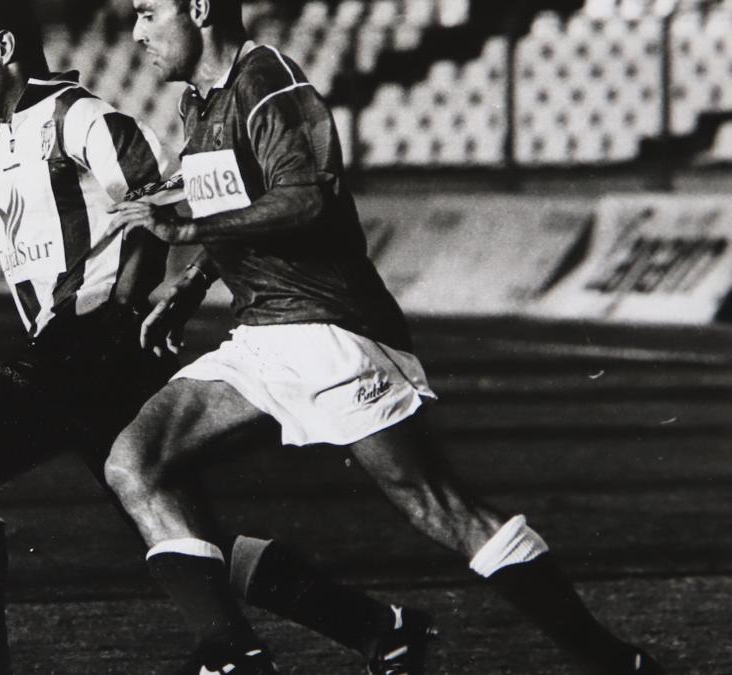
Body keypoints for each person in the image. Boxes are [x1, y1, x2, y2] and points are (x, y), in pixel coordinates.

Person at [0, 2, 429, 674]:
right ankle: (374, 627)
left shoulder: (81, 116)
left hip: (89, 337)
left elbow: (147, 211)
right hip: (81, 349)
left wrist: (122, 311)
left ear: (5, 47)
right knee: (181, 525)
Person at [103, 1, 666, 674]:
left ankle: (610, 660)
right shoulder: (200, 103)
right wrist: (192, 283)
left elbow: (308, 196)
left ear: (197, 7)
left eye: (146, 11)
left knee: (436, 504)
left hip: (335, 330)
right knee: (135, 460)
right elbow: (236, 206)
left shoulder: (268, 81)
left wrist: (187, 232)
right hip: (262, 333)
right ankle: (236, 654)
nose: (136, 34)